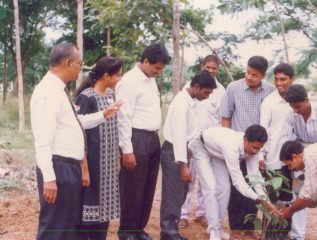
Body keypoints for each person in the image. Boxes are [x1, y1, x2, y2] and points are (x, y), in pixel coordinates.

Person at [30, 43, 91, 240]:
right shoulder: (47, 92)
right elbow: (42, 139)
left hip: (68, 168)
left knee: (66, 226)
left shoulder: (58, 90)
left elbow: (71, 124)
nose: (80, 67)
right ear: (67, 63)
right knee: (54, 228)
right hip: (58, 168)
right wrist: (49, 177)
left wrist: (103, 115)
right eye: (79, 63)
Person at [115, 42, 171, 240]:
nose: (159, 72)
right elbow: (123, 117)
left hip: (152, 138)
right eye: (156, 68)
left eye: (161, 69)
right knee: (132, 188)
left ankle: (139, 229)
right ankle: (127, 231)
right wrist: (127, 150)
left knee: (148, 187)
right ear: (145, 61)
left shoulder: (150, 80)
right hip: (136, 138)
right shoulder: (129, 81)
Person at [218, 55, 274, 239]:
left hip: (257, 149)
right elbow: (225, 116)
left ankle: (249, 226)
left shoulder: (270, 91)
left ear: (263, 75)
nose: (249, 77)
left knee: (254, 185)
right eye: (248, 72)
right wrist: (226, 140)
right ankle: (235, 228)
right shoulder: (233, 88)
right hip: (237, 147)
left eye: (255, 75)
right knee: (236, 188)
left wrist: (261, 151)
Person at [189, 125, 278, 240]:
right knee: (210, 188)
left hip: (218, 153)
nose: (256, 151)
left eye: (259, 148)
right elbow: (238, 181)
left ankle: (217, 227)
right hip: (201, 147)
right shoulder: (231, 147)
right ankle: (214, 231)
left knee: (225, 189)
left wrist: (266, 200)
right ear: (245, 140)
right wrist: (259, 199)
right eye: (254, 147)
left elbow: (254, 177)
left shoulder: (254, 151)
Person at [160, 70, 217, 240]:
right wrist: (183, 165)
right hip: (174, 151)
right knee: (174, 193)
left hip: (182, 151)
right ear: (197, 87)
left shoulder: (189, 101)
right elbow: (178, 137)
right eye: (206, 93)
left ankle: (171, 229)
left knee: (181, 192)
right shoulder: (181, 105)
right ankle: (168, 232)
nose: (207, 97)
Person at [74, 56, 124, 240]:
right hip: (93, 164)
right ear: (106, 76)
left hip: (109, 165)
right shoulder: (87, 97)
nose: (120, 78)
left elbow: (114, 129)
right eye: (117, 75)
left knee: (104, 213)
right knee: (88, 212)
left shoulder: (111, 96)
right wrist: (84, 167)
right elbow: (79, 133)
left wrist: (117, 157)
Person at [179, 55, 225, 229]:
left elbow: (222, 116)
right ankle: (182, 214)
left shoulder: (221, 90)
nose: (211, 71)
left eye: (214, 68)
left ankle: (201, 213)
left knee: (207, 181)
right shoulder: (190, 86)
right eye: (208, 68)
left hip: (210, 141)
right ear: (202, 67)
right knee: (188, 180)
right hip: (191, 139)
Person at [283, 84, 317, 240]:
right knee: (298, 193)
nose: (295, 110)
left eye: (298, 106)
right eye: (292, 107)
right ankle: (298, 236)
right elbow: (286, 137)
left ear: (306, 100)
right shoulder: (291, 114)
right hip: (299, 156)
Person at [259, 63, 295, 238]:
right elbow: (262, 131)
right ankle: (271, 237)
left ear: (291, 79)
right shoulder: (269, 102)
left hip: (294, 162)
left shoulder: (296, 99)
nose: (279, 83)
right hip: (273, 160)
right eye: (277, 79)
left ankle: (285, 235)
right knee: (273, 201)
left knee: (289, 200)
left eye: (283, 79)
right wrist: (261, 156)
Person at [279, 141, 317, 229]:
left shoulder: (310, 156)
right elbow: (316, 196)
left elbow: (308, 193)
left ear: (294, 157)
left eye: (290, 165)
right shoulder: (311, 152)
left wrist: (291, 210)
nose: (291, 169)